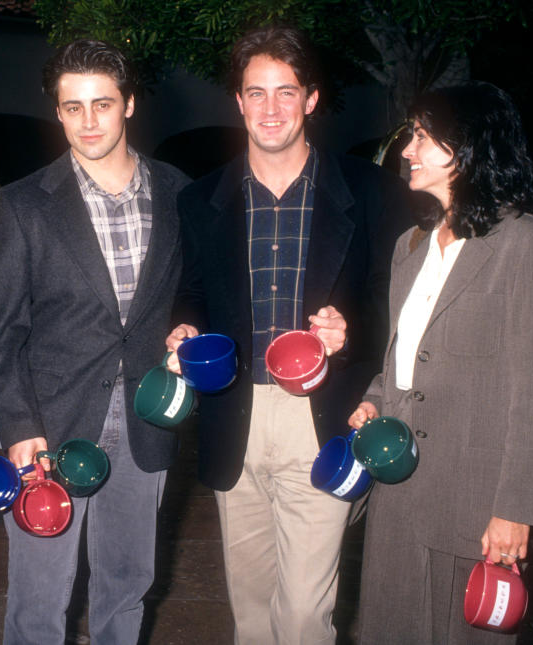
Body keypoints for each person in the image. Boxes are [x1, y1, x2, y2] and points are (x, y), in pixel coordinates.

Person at [164, 26, 412, 645]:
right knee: (250, 611)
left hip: (321, 416)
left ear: (311, 100)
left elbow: (401, 302)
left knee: (304, 615)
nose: (270, 108)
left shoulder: (372, 192)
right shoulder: (200, 200)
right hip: (235, 416)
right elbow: (191, 289)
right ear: (238, 102)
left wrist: (352, 331)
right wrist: (185, 325)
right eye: (256, 93)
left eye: (286, 92)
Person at [0, 39, 189, 644]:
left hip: (146, 420)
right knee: (37, 601)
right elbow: (2, 334)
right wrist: (19, 428)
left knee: (126, 588)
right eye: (73, 107)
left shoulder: (180, 193)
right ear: (58, 112)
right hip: (51, 426)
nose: (88, 121)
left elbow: (193, 297)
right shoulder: (23, 204)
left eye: (102, 103)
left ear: (129, 105)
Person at [347, 82, 533, 644]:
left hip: (476, 508)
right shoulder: (410, 247)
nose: (407, 150)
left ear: (468, 146)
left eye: (422, 136)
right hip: (397, 493)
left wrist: (514, 511)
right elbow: (403, 357)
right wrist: (375, 398)